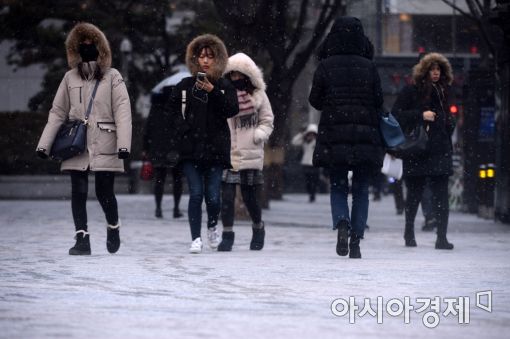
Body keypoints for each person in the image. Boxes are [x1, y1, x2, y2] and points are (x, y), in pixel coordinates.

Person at [36, 22, 132, 255]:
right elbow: (58, 111)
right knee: (78, 190)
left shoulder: (113, 76)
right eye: (83, 46)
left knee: (104, 191)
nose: (87, 49)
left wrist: (124, 145)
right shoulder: (70, 78)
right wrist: (44, 144)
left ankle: (113, 226)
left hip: (105, 141)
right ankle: (82, 239)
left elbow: (123, 110)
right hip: (76, 142)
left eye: (92, 45)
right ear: (76, 50)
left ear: (101, 49)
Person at [309, 17, 385, 259]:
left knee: (338, 185)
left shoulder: (326, 66)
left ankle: (342, 223)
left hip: (335, 132)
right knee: (361, 189)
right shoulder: (369, 66)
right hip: (365, 133)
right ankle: (356, 240)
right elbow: (379, 100)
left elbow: (315, 100)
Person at [167, 34, 239, 253]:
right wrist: (184, 130)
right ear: (195, 59)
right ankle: (195, 238)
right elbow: (171, 114)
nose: (205, 60)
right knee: (196, 194)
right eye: (201, 56)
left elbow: (231, 110)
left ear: (217, 59)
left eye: (210, 56)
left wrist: (212, 91)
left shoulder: (225, 85)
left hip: (216, 150)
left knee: (214, 197)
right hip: (190, 150)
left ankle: (212, 226)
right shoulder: (184, 86)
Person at [392, 52, 455, 250]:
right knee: (414, 193)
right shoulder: (411, 91)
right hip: (417, 149)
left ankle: (441, 237)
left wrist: (448, 124)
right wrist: (421, 115)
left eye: (439, 70)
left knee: (441, 195)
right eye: (432, 70)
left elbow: (447, 118)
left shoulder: (444, 91)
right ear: (424, 71)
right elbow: (396, 115)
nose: (435, 73)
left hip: (440, 148)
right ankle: (409, 231)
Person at [217, 52, 274, 251]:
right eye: (232, 74)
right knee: (227, 196)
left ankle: (258, 227)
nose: (235, 78)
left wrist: (258, 135)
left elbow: (267, 120)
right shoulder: (223, 94)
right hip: (229, 151)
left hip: (251, 151)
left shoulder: (259, 95)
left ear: (248, 75)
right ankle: (227, 234)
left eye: (239, 75)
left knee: (250, 198)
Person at [143, 85, 184, 219]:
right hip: (175, 149)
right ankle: (176, 208)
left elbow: (147, 129)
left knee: (159, 180)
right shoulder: (177, 108)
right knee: (177, 180)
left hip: (158, 149)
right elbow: (182, 129)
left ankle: (158, 208)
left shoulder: (155, 109)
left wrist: (145, 148)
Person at [291, 123, 319, 202]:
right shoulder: (304, 141)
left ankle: (313, 195)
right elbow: (294, 142)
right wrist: (302, 134)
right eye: (309, 134)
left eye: (313, 134)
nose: (311, 136)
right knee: (308, 182)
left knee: (314, 181)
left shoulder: (317, 142)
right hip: (306, 164)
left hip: (315, 164)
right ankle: (311, 194)